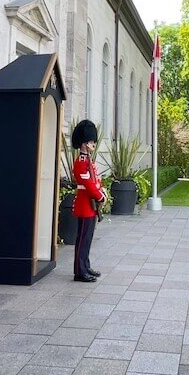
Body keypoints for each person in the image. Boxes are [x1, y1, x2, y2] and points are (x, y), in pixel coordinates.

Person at [71, 120, 106, 282]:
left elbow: (95, 181)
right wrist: (99, 196)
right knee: (83, 239)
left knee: (88, 238)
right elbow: (88, 184)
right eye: (91, 141)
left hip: (91, 206)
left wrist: (102, 191)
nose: (93, 144)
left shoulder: (88, 161)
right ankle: (79, 271)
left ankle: (85, 265)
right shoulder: (81, 163)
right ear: (84, 144)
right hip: (85, 205)